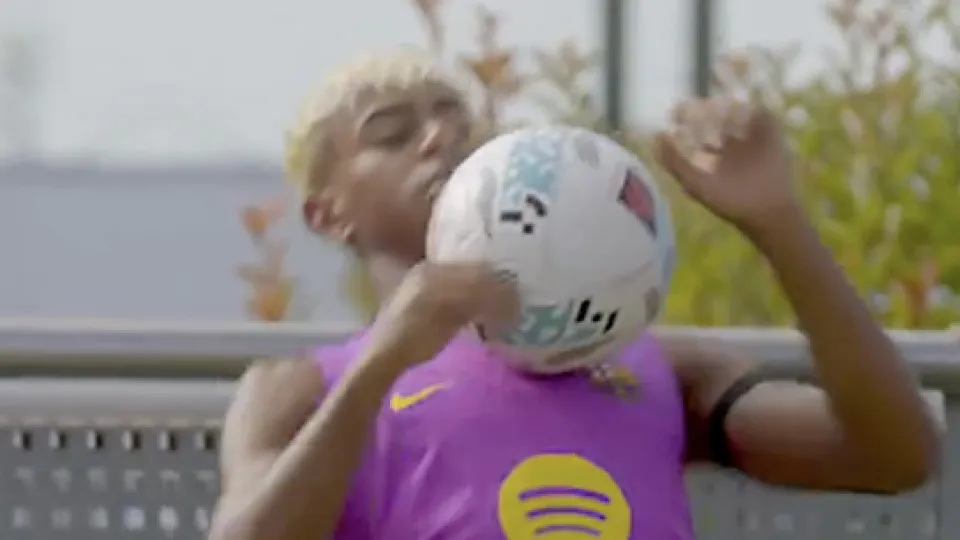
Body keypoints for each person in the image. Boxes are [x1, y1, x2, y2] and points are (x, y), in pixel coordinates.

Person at [208, 49, 941, 540]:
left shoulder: (656, 369)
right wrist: (383, 365)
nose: (439, 138)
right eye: (394, 134)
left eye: (458, 123)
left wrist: (779, 224)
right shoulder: (303, 390)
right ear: (327, 214)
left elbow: (894, 457)